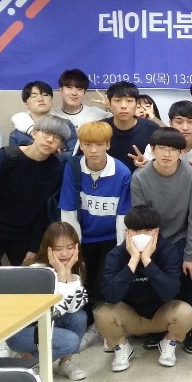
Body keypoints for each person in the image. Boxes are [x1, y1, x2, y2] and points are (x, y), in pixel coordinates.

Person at [131, 127, 192, 353]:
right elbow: (140, 219)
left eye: (173, 149)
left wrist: (190, 255)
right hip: (153, 238)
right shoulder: (140, 178)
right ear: (152, 149)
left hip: (183, 235)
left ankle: (191, 325)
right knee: (154, 272)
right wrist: (149, 251)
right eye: (161, 148)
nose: (167, 154)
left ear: (181, 152)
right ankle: (160, 325)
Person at [96, 205, 192, 371]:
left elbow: (170, 293)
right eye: (136, 231)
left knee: (185, 312)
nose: (142, 235)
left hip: (160, 314)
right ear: (127, 232)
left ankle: (169, 341)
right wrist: (133, 261)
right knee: (102, 314)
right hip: (130, 316)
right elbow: (110, 296)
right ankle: (121, 346)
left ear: (157, 231)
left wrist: (148, 262)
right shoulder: (116, 254)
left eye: (148, 230)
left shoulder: (168, 250)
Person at [59, 121, 132, 324]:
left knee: (106, 283)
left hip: (110, 238)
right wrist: (72, 247)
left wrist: (121, 250)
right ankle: (85, 320)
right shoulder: (73, 167)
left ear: (108, 145)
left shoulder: (122, 172)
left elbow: (123, 216)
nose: (93, 150)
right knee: (84, 281)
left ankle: (108, 322)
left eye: (99, 144)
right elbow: (68, 210)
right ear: (80, 145)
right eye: (87, 144)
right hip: (82, 237)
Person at [0, 115, 71, 266]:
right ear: (34, 133)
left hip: (25, 236)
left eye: (57, 138)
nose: (50, 140)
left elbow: (45, 210)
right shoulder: (5, 157)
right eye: (46, 133)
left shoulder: (56, 169)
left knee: (27, 277)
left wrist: (35, 247)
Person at [6, 222, 89, 381]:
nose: (65, 253)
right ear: (48, 249)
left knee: (80, 317)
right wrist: (61, 274)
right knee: (71, 341)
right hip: (22, 331)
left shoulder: (74, 267)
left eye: (70, 247)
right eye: (58, 249)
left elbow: (73, 308)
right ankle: (30, 363)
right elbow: (55, 309)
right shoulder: (37, 270)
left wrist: (67, 274)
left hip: (46, 323)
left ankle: (63, 362)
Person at [100, 80, 161, 172]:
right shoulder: (99, 129)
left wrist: (148, 162)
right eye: (117, 101)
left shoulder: (152, 129)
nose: (123, 106)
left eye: (129, 101)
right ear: (109, 104)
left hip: (141, 179)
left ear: (136, 104)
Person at [140, 100, 192, 172]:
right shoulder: (155, 147)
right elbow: (146, 175)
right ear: (170, 123)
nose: (185, 128)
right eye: (179, 122)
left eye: (190, 122)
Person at [10, 80, 78, 154]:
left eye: (45, 95)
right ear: (26, 103)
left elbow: (74, 154)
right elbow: (14, 158)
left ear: (51, 100)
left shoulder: (66, 125)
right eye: (34, 96)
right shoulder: (16, 134)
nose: (40, 99)